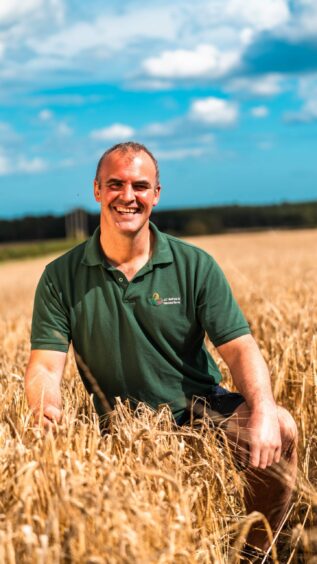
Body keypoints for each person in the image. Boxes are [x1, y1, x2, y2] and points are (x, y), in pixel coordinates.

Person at [25, 141, 297, 554]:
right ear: (97, 190)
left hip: (200, 411)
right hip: (118, 428)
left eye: (140, 185)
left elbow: (241, 349)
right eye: (115, 184)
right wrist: (46, 409)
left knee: (282, 426)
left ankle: (254, 554)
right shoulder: (59, 277)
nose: (128, 196)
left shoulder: (194, 265)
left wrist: (261, 412)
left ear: (155, 194)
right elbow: (45, 367)